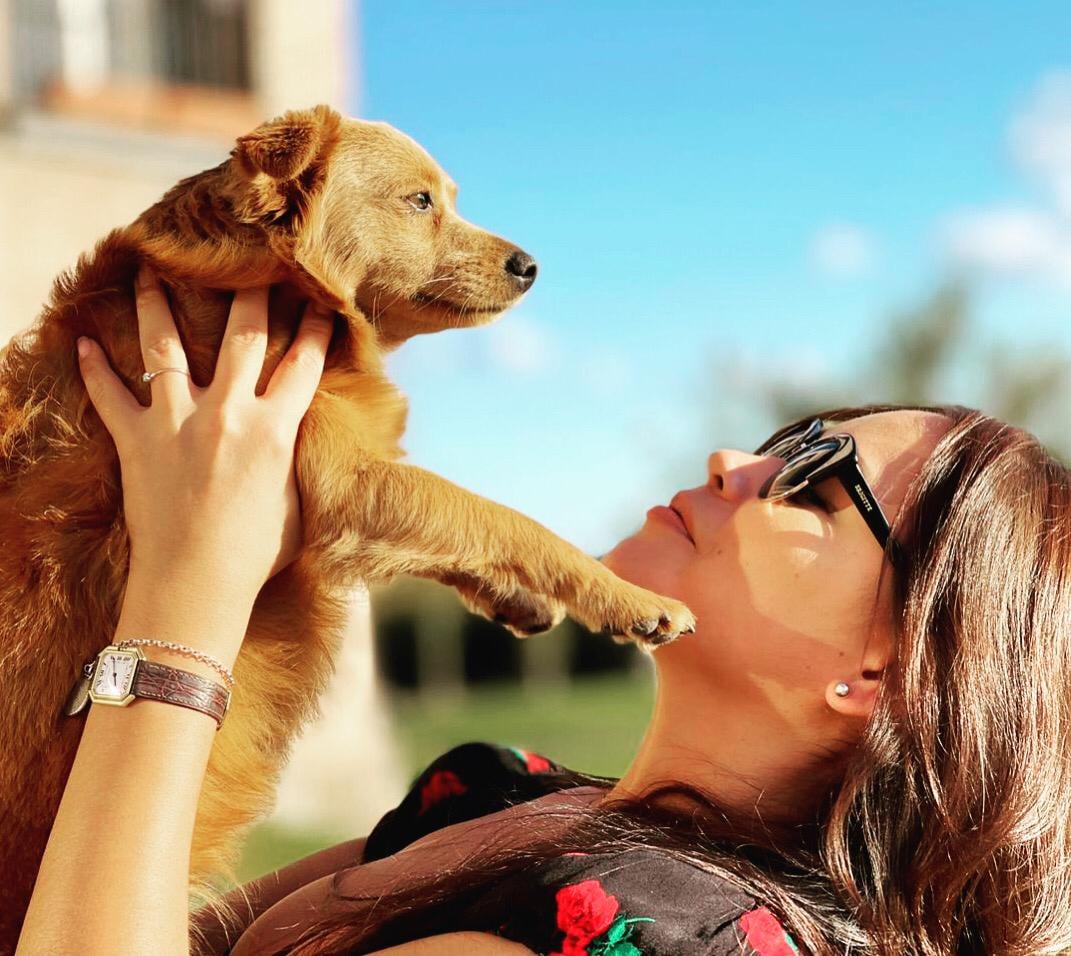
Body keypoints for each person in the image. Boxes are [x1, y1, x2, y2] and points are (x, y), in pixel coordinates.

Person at [16, 269, 1071, 955]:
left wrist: (185, 591)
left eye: (816, 476)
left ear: (887, 676)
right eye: (786, 433)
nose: (734, 460)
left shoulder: (655, 934)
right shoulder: (503, 796)